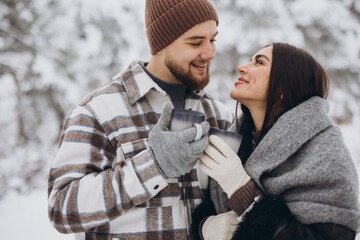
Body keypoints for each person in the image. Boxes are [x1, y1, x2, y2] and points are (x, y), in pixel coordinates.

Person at [47, 0, 233, 239]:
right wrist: (154, 165)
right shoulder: (99, 111)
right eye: (195, 42)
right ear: (161, 43)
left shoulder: (219, 115)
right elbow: (61, 209)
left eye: (213, 40)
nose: (209, 53)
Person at [191, 43, 360, 240]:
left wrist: (242, 193)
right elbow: (211, 209)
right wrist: (204, 227)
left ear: (284, 86)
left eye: (259, 62)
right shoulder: (237, 143)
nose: (242, 67)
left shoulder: (326, 154)